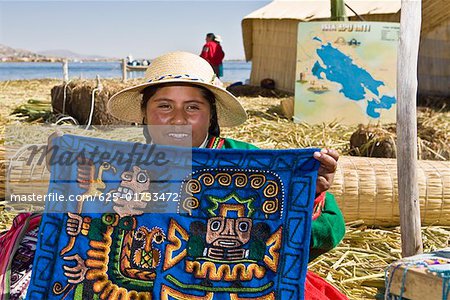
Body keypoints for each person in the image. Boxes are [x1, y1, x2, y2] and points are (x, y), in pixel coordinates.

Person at [2, 51, 346, 299]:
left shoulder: (253, 165)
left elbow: (328, 229)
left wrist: (307, 194)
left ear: (211, 115)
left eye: (193, 107)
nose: (178, 119)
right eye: (164, 106)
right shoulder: (117, 164)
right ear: (144, 114)